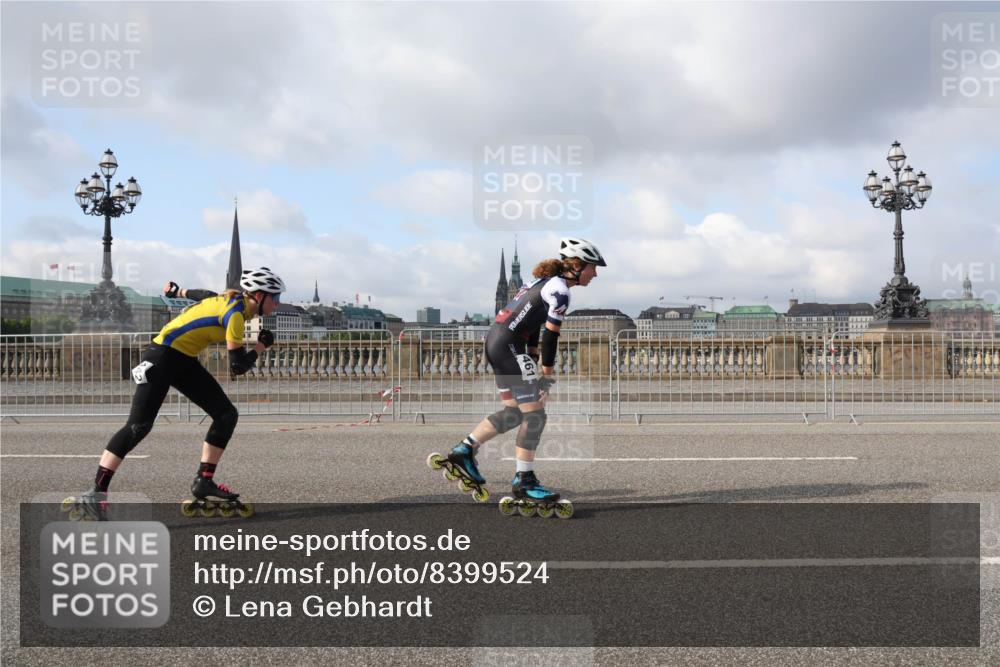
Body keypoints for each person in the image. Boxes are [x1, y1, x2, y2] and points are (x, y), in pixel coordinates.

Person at [65, 267, 285, 520]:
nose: (277, 304)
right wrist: (260, 346)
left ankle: (204, 481)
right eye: (275, 298)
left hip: (183, 360)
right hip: (162, 356)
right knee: (138, 427)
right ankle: (96, 493)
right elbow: (237, 366)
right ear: (259, 295)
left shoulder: (230, 300)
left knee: (226, 415)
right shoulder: (235, 314)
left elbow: (202, 295)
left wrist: (177, 291)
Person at [443, 238, 605, 507]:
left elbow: (531, 327)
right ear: (577, 267)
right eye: (593, 268)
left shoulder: (541, 283)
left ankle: (465, 449)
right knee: (536, 415)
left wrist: (531, 361)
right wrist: (545, 378)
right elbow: (550, 338)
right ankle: (525, 481)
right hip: (509, 347)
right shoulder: (561, 291)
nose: (596, 274)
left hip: (498, 342)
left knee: (514, 413)